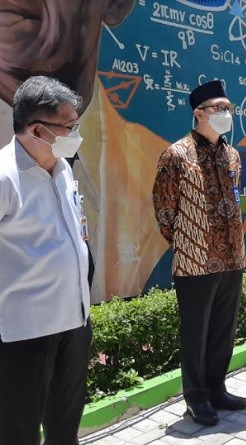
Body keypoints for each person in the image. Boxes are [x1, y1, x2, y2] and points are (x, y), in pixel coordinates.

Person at [0, 76, 92, 445]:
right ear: (38, 129)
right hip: (26, 331)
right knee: (19, 430)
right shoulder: (6, 177)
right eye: (70, 126)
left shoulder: (62, 166)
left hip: (74, 321)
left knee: (65, 423)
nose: (76, 134)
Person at [152, 81, 246, 426]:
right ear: (199, 114)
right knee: (196, 332)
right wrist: (188, 242)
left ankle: (216, 388)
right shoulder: (176, 155)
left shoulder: (232, 154)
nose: (226, 114)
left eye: (229, 109)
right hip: (194, 262)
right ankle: (196, 398)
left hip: (233, 257)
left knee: (224, 329)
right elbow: (164, 210)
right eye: (219, 108)